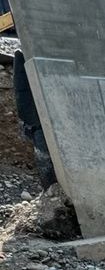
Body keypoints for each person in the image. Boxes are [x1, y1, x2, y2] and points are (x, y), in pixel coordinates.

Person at [13, 49, 56, 189]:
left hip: (33, 122)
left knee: (43, 156)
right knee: (44, 157)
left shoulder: (22, 62)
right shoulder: (25, 62)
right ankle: (51, 190)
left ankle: (51, 191)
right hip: (37, 123)